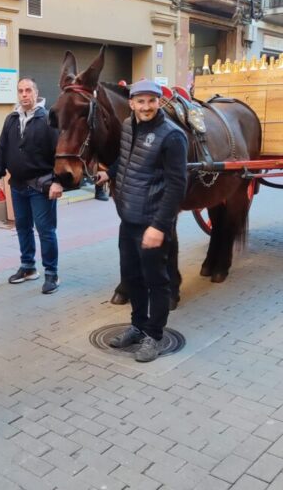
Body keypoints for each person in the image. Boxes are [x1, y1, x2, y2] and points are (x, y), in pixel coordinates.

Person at [96, 80, 187, 362]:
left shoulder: (171, 136)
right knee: (132, 277)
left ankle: (154, 336)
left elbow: (177, 185)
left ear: (159, 102)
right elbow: (127, 159)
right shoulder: (127, 125)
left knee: (156, 281)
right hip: (129, 218)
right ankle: (137, 325)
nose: (146, 107)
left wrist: (159, 226)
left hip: (153, 223)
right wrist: (109, 172)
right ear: (132, 103)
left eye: (151, 101)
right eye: (140, 101)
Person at [0, 77, 63, 295]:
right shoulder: (11, 118)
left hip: (42, 185)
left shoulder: (49, 118)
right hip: (18, 185)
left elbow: (60, 153)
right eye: (20, 91)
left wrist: (58, 181)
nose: (24, 94)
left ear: (36, 92)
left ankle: (52, 274)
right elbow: (2, 147)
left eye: (28, 90)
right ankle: (28, 267)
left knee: (45, 231)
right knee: (22, 228)